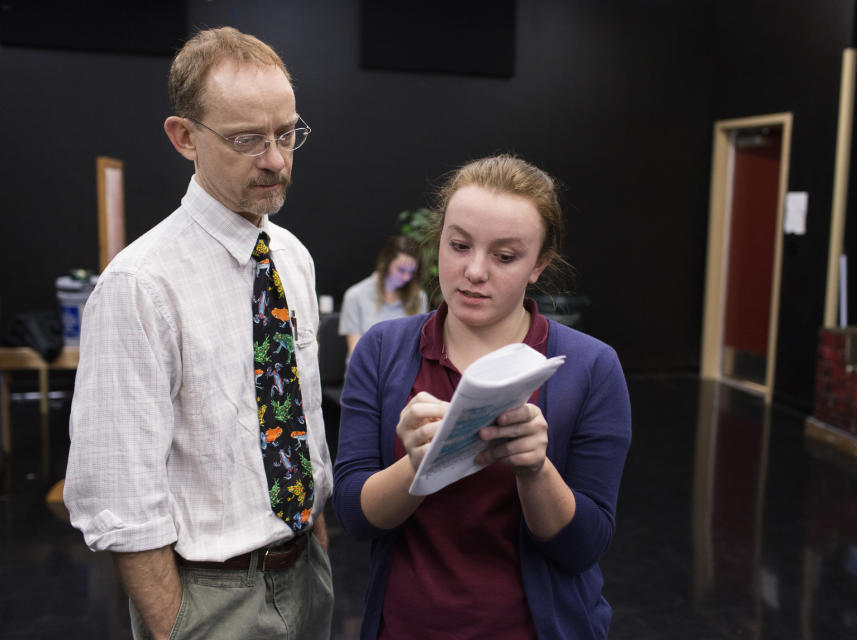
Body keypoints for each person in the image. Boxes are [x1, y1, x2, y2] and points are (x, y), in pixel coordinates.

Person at [64, 27, 334, 640]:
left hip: (307, 574)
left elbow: (301, 418)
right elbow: (119, 489)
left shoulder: (291, 257)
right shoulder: (141, 284)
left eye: (287, 133)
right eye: (246, 139)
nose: (275, 159)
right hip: (211, 596)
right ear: (184, 137)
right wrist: (173, 625)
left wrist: (315, 537)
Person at [332, 154, 632, 639]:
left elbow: (584, 546)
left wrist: (536, 468)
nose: (473, 271)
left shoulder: (591, 367)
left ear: (540, 265)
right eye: (458, 245)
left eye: (505, 256)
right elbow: (355, 515)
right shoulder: (383, 351)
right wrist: (418, 464)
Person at [339, 235, 428, 359]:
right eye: (401, 270)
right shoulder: (355, 296)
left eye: (412, 272)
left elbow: (417, 348)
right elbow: (356, 352)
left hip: (402, 371)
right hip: (366, 372)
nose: (407, 277)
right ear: (385, 263)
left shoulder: (418, 297)